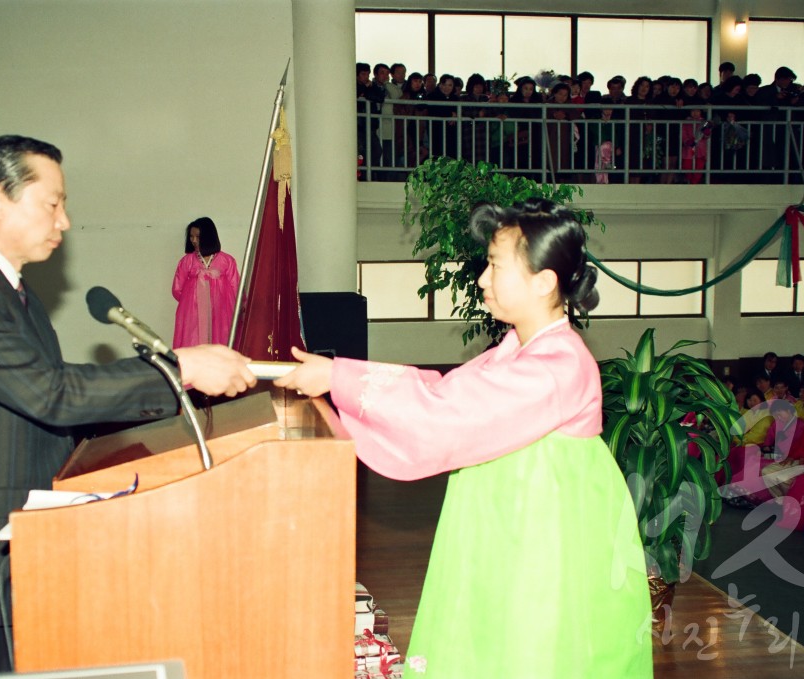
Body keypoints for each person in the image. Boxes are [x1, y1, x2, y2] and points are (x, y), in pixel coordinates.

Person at [0, 135, 256, 678]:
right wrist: (181, 368)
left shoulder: (7, 289)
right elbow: (50, 393)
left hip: (15, 548)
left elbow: (50, 407)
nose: (66, 221)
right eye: (52, 203)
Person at [275, 200, 652, 678]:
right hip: (513, 524)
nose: (481, 280)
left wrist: (338, 378)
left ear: (543, 281)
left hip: (546, 541)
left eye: (495, 266)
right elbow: (443, 389)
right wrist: (338, 377)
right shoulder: (521, 347)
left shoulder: (559, 365)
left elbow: (445, 413)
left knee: (536, 648)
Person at [171, 217, 241, 348]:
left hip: (221, 310)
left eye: (198, 236)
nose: (194, 240)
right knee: (193, 341)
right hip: (193, 310)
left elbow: (236, 286)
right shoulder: (187, 261)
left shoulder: (227, 260)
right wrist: (192, 301)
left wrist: (240, 305)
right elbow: (177, 288)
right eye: (191, 237)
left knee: (221, 340)